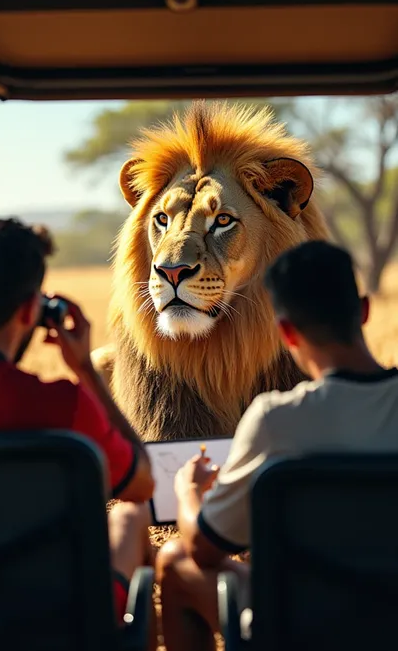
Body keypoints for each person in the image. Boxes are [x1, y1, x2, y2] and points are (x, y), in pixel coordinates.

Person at [156, 240, 398, 651]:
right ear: (364, 311)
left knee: (175, 562)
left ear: (285, 332)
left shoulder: (275, 420)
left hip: (302, 627)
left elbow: (205, 550)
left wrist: (188, 491)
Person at [0, 218, 155, 628]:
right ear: (32, 310)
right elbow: (141, 485)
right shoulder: (62, 406)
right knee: (129, 517)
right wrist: (86, 370)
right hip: (54, 619)